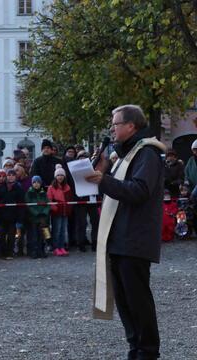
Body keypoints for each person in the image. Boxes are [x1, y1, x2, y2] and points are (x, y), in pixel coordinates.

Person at [86, 104, 165, 360]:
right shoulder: (124, 155)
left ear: (131, 126)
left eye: (115, 123)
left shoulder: (147, 154)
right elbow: (118, 189)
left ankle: (148, 352)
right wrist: (99, 173)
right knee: (125, 302)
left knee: (138, 301)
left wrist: (104, 180)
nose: (112, 127)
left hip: (135, 239)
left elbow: (139, 190)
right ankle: (135, 348)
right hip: (120, 239)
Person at [0, 169, 25, 259]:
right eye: (9, 175)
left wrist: (20, 218)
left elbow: (21, 204)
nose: (10, 176)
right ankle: (1, 253)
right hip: (1, 216)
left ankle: (9, 253)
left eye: (13, 175)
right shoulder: (0, 187)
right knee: (1, 235)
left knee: (11, 236)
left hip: (13, 216)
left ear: (15, 176)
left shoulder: (19, 188)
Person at [47, 164, 72, 256]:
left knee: (63, 230)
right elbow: (49, 200)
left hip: (65, 211)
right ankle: (56, 247)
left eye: (61, 175)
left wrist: (68, 209)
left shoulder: (68, 187)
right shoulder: (51, 187)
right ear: (55, 176)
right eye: (58, 175)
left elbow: (69, 199)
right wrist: (55, 208)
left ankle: (62, 247)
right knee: (56, 230)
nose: (60, 177)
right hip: (57, 212)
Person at [25, 176, 50, 259]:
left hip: (43, 218)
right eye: (34, 182)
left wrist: (44, 213)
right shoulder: (29, 193)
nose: (36, 184)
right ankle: (34, 251)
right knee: (34, 236)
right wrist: (36, 213)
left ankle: (42, 251)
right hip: (33, 218)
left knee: (42, 235)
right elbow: (29, 205)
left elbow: (48, 204)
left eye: (38, 182)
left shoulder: (44, 193)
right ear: (32, 183)